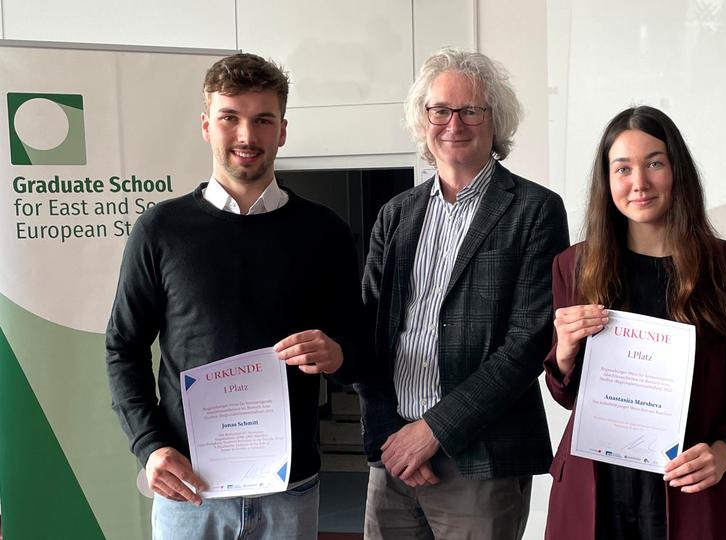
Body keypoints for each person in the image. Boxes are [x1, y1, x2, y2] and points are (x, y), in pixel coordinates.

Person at [105, 53, 364, 540]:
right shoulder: (160, 230)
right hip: (190, 492)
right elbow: (124, 347)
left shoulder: (324, 232)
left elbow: (358, 350)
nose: (247, 136)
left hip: (291, 492)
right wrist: (149, 445)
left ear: (282, 130)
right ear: (206, 126)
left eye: (262, 120)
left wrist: (336, 354)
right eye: (230, 118)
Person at [354, 47, 569, 539]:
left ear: (496, 122)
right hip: (394, 459)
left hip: (481, 461)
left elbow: (528, 342)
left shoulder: (535, 210)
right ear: (423, 120)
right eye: (441, 110)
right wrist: (391, 436)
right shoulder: (396, 214)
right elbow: (367, 332)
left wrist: (432, 432)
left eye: (471, 109)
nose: (454, 122)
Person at [543, 105, 726, 539]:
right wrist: (565, 352)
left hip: (691, 486)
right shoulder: (573, 266)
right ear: (606, 181)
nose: (639, 183)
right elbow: (567, 395)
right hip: (595, 487)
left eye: (654, 163)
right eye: (623, 168)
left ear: (677, 171)